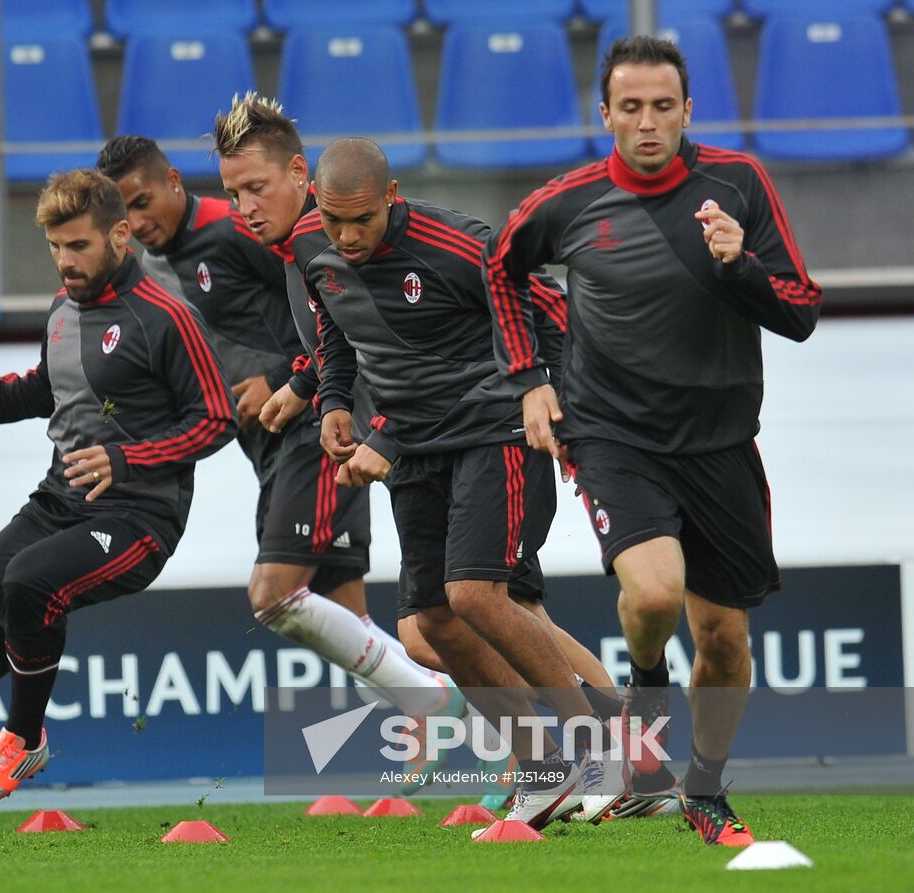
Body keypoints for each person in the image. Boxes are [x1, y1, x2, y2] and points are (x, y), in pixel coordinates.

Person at [483, 36, 821, 845]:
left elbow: (800, 311)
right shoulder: (567, 201)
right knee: (657, 592)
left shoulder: (737, 184)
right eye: (629, 107)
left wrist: (741, 265)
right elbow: (498, 267)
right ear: (605, 114)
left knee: (726, 639)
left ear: (687, 110)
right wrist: (529, 376)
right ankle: (645, 683)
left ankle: (702, 790)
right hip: (611, 433)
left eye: (662, 106)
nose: (647, 122)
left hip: (721, 441)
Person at [0, 170, 236, 836]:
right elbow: (41, 390)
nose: (66, 260)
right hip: (60, 499)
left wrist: (125, 458)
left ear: (119, 234)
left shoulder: (167, 316)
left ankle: (24, 736)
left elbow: (218, 420)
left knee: (29, 581)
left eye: (78, 245)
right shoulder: (63, 307)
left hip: (139, 517)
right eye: (55, 246)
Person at [293, 137, 627, 828]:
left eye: (362, 220)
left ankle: (608, 754)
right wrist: (331, 399)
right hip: (414, 444)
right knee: (433, 622)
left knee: (478, 592)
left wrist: (554, 403)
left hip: (493, 428)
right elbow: (336, 330)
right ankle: (542, 766)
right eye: (334, 221)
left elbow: (555, 310)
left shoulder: (463, 244)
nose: (347, 237)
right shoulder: (310, 250)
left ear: (393, 197)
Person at [94, 135, 446, 728]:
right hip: (271, 445)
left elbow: (334, 317)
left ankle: (433, 698)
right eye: (122, 211)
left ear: (173, 182)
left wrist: (279, 378)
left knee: (276, 593)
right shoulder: (145, 267)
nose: (136, 220)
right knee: (344, 610)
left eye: (142, 200)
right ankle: (428, 730)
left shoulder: (238, 234)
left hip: (317, 427)